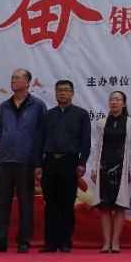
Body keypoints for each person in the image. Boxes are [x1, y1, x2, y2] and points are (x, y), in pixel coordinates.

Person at [0, 68, 47, 253]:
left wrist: (38, 162)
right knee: (2, 203)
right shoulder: (4, 106)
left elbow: (41, 135)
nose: (13, 81)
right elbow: (0, 131)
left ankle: (24, 241)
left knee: (26, 203)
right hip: (5, 160)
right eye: (12, 78)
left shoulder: (38, 106)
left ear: (27, 82)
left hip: (27, 160)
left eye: (17, 78)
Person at [37, 80, 92, 253]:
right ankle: (50, 242)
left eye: (66, 90)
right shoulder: (47, 115)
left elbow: (85, 141)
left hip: (70, 163)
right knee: (50, 204)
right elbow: (39, 141)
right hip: (49, 163)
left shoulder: (81, 114)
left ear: (72, 93)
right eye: (59, 90)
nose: (62, 93)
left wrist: (82, 162)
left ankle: (65, 241)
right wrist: (38, 164)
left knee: (67, 204)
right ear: (55, 93)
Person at [89, 91, 131, 253]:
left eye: (118, 99)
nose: (114, 102)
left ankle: (115, 242)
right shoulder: (102, 122)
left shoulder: (130, 122)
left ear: (124, 104)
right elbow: (97, 146)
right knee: (105, 207)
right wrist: (94, 167)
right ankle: (106, 242)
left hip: (122, 168)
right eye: (112, 99)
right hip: (104, 167)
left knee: (120, 206)